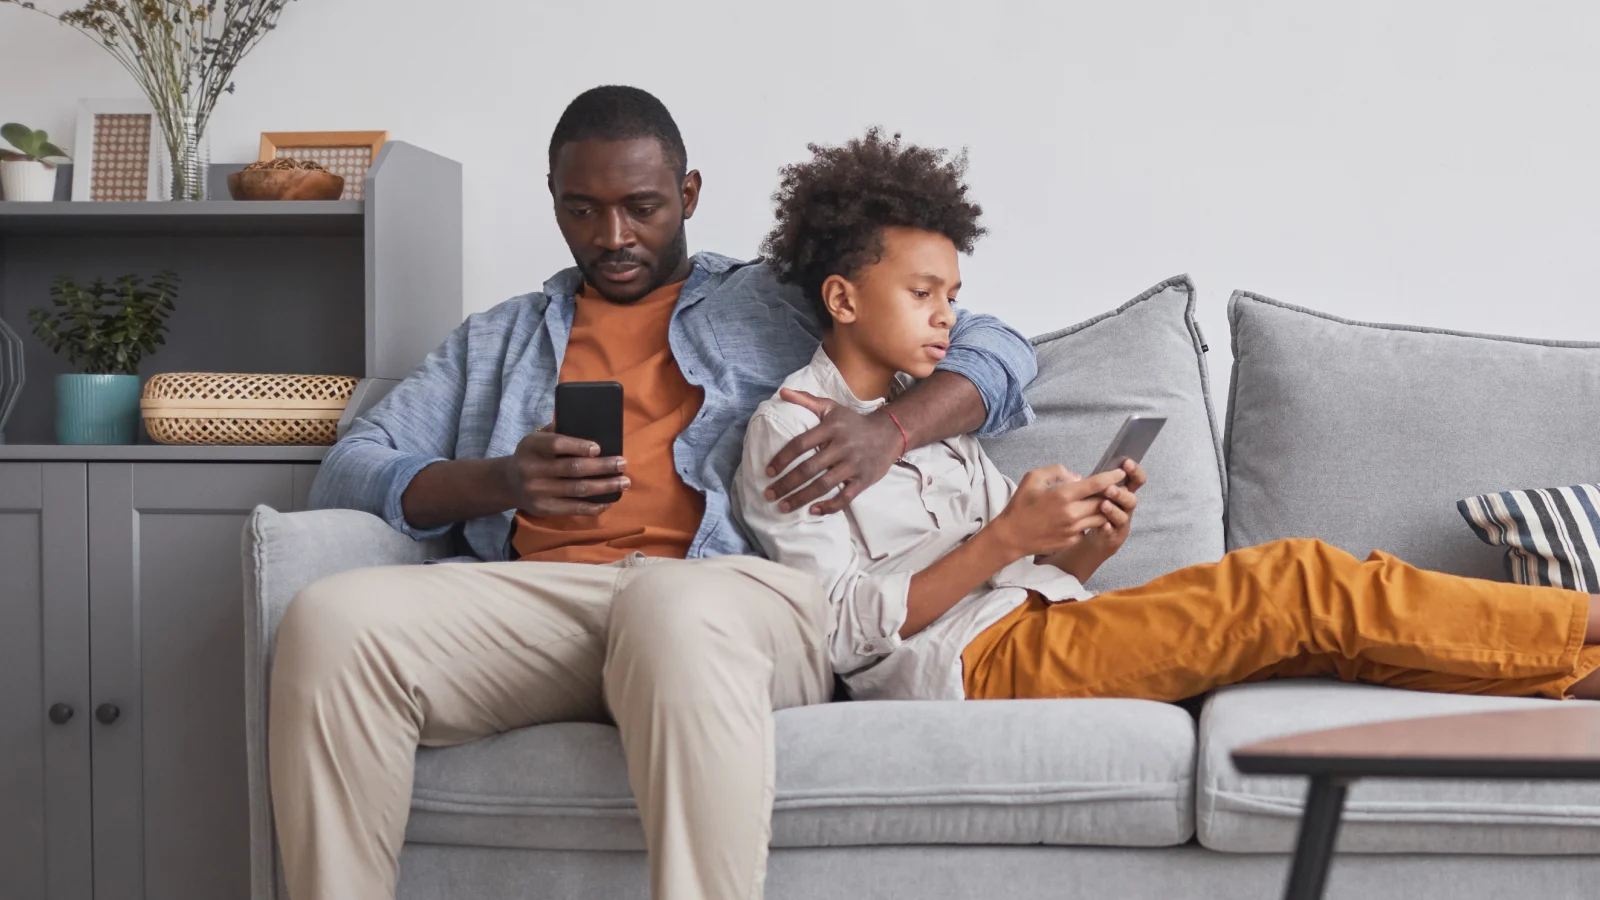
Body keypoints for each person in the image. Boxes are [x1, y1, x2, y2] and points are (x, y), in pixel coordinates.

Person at [268, 88, 1039, 900]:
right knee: (331, 623)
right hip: (548, 601)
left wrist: (893, 430)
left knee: (667, 604)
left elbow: (1001, 347)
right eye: (583, 212)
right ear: (555, 204)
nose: (613, 237)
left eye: (642, 208)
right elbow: (352, 464)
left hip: (731, 600)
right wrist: (501, 480)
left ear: (690, 194)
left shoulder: (776, 296)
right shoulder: (496, 339)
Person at [733, 128, 1600, 709]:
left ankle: (1585, 669)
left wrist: (1087, 538)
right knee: (1294, 582)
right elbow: (842, 635)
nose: (947, 317)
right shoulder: (791, 431)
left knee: (1331, 626)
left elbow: (1036, 564)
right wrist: (1002, 540)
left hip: (1039, 618)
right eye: (922, 294)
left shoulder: (931, 416)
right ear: (842, 297)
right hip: (974, 669)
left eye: (953, 296)